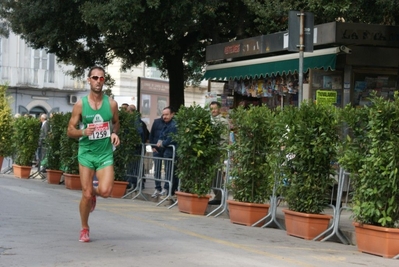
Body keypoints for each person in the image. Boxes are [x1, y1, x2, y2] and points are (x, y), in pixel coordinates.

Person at [67, 66, 120, 243]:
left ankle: (94, 195)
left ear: (104, 81)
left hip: (105, 153)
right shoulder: (80, 105)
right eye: (95, 78)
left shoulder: (111, 104)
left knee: (105, 191)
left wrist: (114, 133)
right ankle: (84, 228)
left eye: (102, 78)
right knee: (85, 193)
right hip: (87, 153)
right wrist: (83, 133)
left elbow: (116, 123)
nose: (98, 81)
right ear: (89, 80)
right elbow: (70, 130)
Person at [208, 101, 229, 205]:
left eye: (215, 108)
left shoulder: (223, 121)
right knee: (211, 174)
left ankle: (219, 196)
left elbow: (224, 138)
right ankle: (217, 195)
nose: (213, 111)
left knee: (217, 174)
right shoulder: (208, 120)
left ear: (219, 109)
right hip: (209, 150)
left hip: (217, 151)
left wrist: (219, 149)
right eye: (211, 109)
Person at [156, 106, 178, 198]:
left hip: (171, 153)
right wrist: (160, 142)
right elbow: (161, 136)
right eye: (163, 114)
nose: (164, 116)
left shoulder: (174, 125)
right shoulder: (166, 124)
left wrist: (162, 144)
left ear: (172, 114)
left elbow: (170, 139)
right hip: (167, 152)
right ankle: (169, 191)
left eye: (167, 114)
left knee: (170, 172)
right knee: (168, 172)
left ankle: (169, 190)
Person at [149, 115, 165, 197]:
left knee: (168, 170)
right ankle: (158, 188)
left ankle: (166, 188)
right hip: (156, 149)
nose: (165, 116)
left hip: (166, 149)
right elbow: (151, 135)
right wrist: (153, 147)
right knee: (157, 169)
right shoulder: (156, 122)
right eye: (164, 114)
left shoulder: (171, 123)